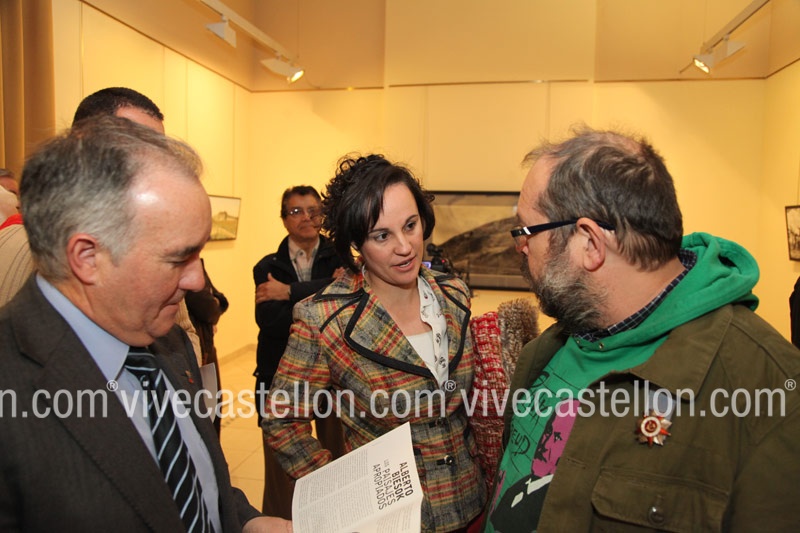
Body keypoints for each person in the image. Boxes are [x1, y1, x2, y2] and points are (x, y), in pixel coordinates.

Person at [484, 127, 800, 531]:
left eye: (527, 231)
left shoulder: (773, 397)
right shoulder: (552, 346)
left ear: (589, 243)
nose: (521, 246)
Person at [0, 116, 291, 532]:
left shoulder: (170, 341)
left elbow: (192, 474)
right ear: (87, 257)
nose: (197, 281)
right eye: (178, 258)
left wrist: (245, 522)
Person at [263, 155, 486, 532]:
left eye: (410, 225)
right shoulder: (324, 318)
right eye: (382, 236)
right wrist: (341, 492)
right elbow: (282, 419)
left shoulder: (454, 294)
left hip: (473, 502)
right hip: (395, 520)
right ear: (356, 243)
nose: (406, 247)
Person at [0, 88, 202, 366]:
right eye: (133, 148)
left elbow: (183, 336)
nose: (153, 164)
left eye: (159, 151)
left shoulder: (151, 254)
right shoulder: (10, 241)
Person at [253, 185, 346, 519]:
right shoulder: (267, 266)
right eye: (296, 211)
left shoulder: (342, 257)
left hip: (335, 378)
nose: (306, 217)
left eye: (313, 210)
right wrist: (326, 290)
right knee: (282, 471)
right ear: (283, 219)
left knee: (339, 460)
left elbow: (344, 310)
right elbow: (271, 322)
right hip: (279, 376)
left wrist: (289, 291)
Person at [185, 257, 230, 435]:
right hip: (196, 349)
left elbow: (219, 300)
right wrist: (215, 302)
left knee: (211, 408)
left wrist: (217, 301)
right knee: (206, 413)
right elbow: (208, 308)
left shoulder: (194, 260)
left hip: (204, 344)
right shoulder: (185, 261)